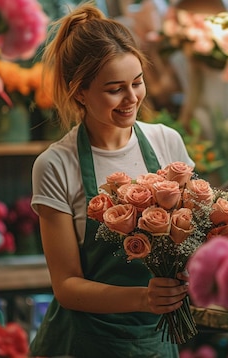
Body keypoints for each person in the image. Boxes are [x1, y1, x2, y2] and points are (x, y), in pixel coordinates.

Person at [29, 2, 195, 357]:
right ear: (80, 92)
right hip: (85, 342)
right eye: (115, 89)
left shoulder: (167, 142)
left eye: (137, 82)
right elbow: (67, 286)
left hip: (156, 340)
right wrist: (144, 297)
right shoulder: (56, 165)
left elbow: (191, 234)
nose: (131, 98)